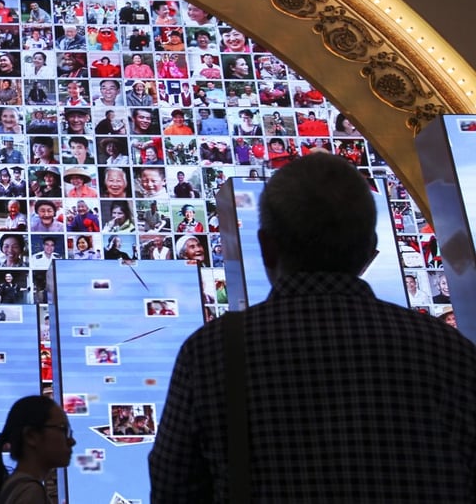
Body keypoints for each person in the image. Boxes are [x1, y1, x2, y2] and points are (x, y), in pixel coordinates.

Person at [149, 153, 476, 502]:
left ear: (267, 248)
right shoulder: (450, 352)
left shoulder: (210, 353)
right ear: (370, 252)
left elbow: (173, 490)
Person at [0, 395, 75, 504]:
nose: (72, 441)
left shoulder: (15, 489)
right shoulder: (31, 493)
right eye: (63, 429)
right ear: (31, 436)